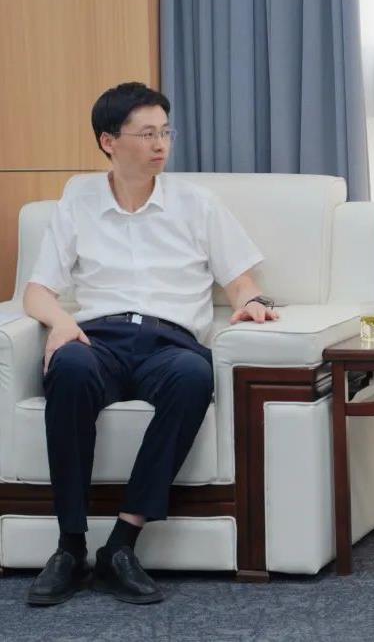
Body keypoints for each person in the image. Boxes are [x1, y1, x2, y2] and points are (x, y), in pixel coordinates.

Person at [24, 82, 278, 606]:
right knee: (68, 368)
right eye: (146, 134)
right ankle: (69, 547)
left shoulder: (196, 204)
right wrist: (61, 324)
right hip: (99, 337)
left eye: (165, 132)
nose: (160, 144)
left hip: (170, 342)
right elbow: (37, 291)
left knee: (194, 376)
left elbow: (239, 280)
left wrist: (252, 301)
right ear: (108, 141)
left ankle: (122, 544)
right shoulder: (77, 201)